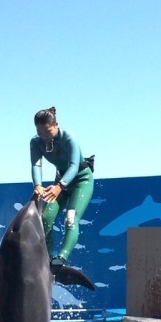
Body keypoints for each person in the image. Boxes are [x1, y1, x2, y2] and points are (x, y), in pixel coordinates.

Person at [30, 106, 94, 272]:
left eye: (47, 131)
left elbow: (73, 166)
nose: (43, 136)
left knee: (70, 218)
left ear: (56, 125)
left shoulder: (69, 137)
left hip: (81, 179)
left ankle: (61, 257)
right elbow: (36, 165)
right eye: (39, 131)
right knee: (45, 217)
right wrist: (37, 185)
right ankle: (48, 257)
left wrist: (60, 186)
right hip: (60, 181)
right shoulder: (36, 142)